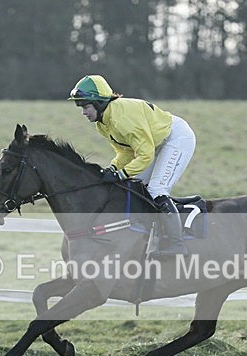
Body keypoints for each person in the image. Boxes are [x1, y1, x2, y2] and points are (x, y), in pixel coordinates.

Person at [68, 75, 196, 256]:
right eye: (81, 107)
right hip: (154, 144)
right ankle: (149, 236)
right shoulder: (103, 124)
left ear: (99, 103)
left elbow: (145, 155)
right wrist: (113, 168)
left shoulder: (122, 119)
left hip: (175, 138)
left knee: (156, 189)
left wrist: (121, 174)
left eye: (86, 107)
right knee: (134, 186)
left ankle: (177, 244)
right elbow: (126, 152)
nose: (83, 112)